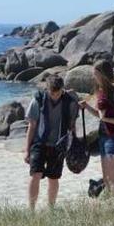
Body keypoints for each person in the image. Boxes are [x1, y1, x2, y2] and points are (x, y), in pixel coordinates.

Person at [24, 75, 79, 210]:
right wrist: (27, 150)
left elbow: (72, 126)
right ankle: (31, 209)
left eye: (58, 93)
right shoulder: (38, 100)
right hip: (39, 143)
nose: (55, 96)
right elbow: (32, 126)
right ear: (47, 89)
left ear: (62, 89)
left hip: (59, 145)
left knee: (53, 178)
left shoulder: (69, 102)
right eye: (52, 93)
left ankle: (51, 209)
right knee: (35, 175)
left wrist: (73, 146)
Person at [79, 60, 114, 196]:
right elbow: (101, 115)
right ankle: (112, 207)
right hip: (103, 137)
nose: (93, 76)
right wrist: (88, 107)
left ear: (102, 74)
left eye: (95, 73)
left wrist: (105, 119)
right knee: (107, 179)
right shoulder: (100, 91)